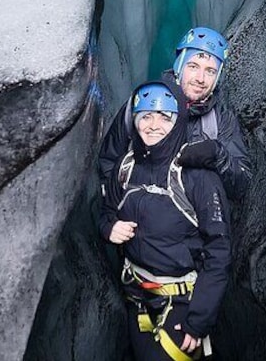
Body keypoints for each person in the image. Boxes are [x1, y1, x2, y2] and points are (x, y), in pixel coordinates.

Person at [99, 81, 231, 360]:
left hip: (182, 306)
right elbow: (106, 210)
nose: (153, 124)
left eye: (164, 117)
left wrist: (199, 321)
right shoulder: (126, 167)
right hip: (136, 298)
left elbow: (219, 253)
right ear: (135, 120)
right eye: (146, 115)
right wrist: (108, 227)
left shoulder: (198, 177)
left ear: (177, 122)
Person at [99, 27, 251, 203]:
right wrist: (112, 218)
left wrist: (219, 156)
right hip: (137, 221)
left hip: (194, 224)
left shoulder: (221, 120)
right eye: (193, 66)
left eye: (210, 71)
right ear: (179, 65)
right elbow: (108, 164)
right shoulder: (142, 104)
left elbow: (241, 185)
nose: (201, 78)